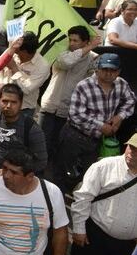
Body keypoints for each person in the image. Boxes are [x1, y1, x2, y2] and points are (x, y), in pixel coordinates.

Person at [59, 133, 137, 255]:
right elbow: (83, 197)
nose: (132, 152)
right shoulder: (105, 166)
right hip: (92, 237)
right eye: (131, 147)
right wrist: (79, 230)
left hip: (124, 246)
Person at [53, 53, 136, 193]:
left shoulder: (121, 84)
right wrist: (101, 125)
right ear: (97, 69)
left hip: (98, 140)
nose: (108, 74)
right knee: (64, 173)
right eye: (105, 69)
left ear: (118, 71)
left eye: (113, 70)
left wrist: (119, 117)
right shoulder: (84, 86)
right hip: (75, 136)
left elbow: (130, 100)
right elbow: (75, 114)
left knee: (90, 174)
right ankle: (59, 202)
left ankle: (81, 204)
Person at [38, 26, 100, 162]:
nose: (71, 43)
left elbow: (92, 82)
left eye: (76, 41)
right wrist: (88, 48)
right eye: (70, 40)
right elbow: (66, 62)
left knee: (58, 143)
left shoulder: (93, 58)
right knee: (41, 142)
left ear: (85, 41)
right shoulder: (62, 53)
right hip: (50, 104)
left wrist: (90, 52)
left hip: (69, 108)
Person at [0, 84, 48, 186]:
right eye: (5, 101)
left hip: (13, 181)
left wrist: (14, 172)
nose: (8, 106)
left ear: (21, 104)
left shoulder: (32, 129)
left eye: (13, 102)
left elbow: (41, 162)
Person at [0, 32, 50, 115]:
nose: (13, 50)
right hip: (1, 103)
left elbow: (26, 89)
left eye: (16, 49)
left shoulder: (43, 66)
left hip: (23, 110)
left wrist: (14, 69)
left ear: (25, 51)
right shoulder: (12, 52)